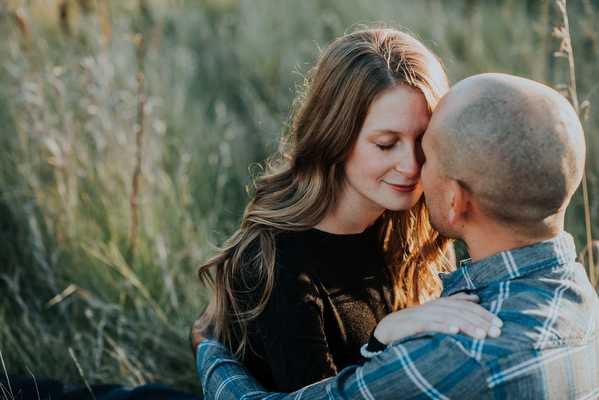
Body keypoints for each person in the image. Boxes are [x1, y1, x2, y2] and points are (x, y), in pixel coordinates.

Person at [194, 73, 599, 399]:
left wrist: (209, 354)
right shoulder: (583, 298)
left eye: (426, 149)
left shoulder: (459, 350)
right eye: (387, 144)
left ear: (455, 200)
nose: (412, 167)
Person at [195, 27, 501, 393]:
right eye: (387, 144)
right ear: (335, 138)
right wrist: (381, 339)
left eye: (423, 140)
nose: (412, 166)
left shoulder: (414, 222)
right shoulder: (277, 260)